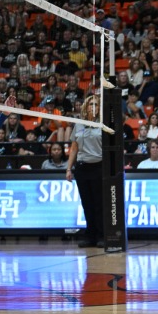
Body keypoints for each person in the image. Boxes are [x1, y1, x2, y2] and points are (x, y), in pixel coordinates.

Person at [66, 95, 105, 249]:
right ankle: (90, 235)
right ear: (86, 107)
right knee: (86, 204)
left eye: (96, 104)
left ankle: (102, 235)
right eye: (91, 104)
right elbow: (74, 148)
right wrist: (69, 168)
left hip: (99, 167)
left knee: (99, 204)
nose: (93, 107)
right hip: (82, 168)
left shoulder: (103, 125)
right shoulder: (79, 124)